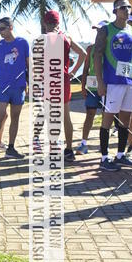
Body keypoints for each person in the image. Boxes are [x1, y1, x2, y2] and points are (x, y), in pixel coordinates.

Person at [94, 0, 132, 171]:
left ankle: (120, 155)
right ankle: (104, 157)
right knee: (108, 119)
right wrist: (100, 81)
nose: (126, 10)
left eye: (129, 7)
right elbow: (97, 55)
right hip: (112, 82)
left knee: (126, 120)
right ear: (115, 11)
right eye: (122, 7)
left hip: (130, 82)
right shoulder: (106, 30)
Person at [41, 10, 86, 163]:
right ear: (58, 22)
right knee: (66, 117)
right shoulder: (66, 38)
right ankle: (69, 150)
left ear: (45, 23)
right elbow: (83, 54)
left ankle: (54, 150)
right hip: (64, 80)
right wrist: (73, 72)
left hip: (50, 81)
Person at [0, 17, 30, 159]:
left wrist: (30, 83)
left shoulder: (22, 43)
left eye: (2, 28)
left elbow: (29, 64)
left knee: (15, 117)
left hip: (18, 87)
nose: (0, 32)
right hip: (3, 87)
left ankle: (11, 148)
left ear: (10, 27)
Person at [76, 22, 106, 154]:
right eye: (97, 31)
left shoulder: (110, 48)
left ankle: (103, 146)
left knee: (106, 117)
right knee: (90, 115)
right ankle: (83, 143)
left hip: (107, 87)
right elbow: (86, 68)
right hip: (92, 87)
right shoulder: (90, 48)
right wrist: (82, 86)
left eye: (101, 30)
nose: (98, 33)